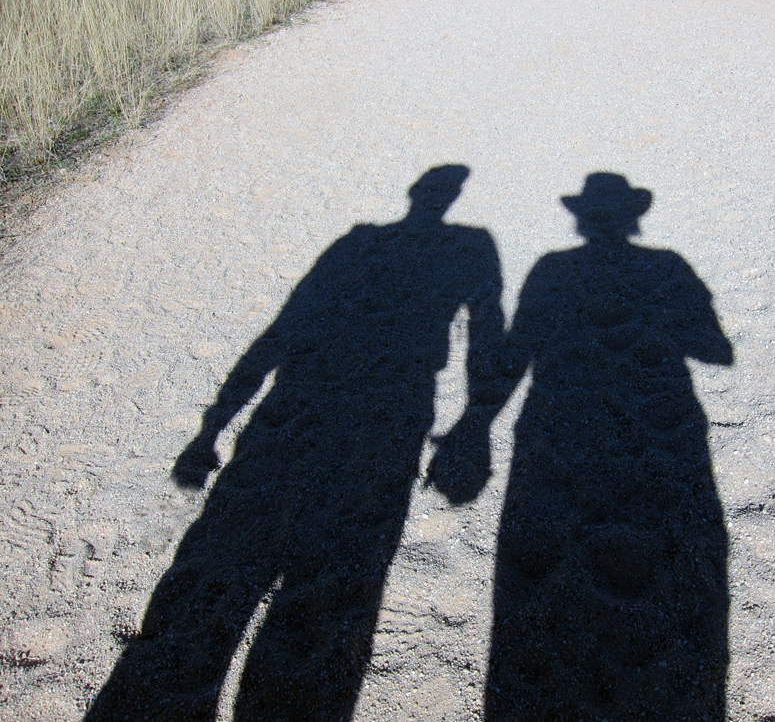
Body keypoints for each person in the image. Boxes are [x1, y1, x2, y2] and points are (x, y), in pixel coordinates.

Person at [86, 165, 504, 722]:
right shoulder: (467, 245)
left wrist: (212, 427)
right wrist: (473, 425)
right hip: (396, 406)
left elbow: (284, 330)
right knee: (348, 572)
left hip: (303, 404)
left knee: (224, 571)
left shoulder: (358, 244)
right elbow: (487, 330)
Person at [432, 173, 734, 721]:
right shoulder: (666, 267)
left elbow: (518, 349)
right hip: (657, 433)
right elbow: (716, 351)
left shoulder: (553, 268)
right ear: (632, 216)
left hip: (559, 427)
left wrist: (476, 422)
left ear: (582, 218)